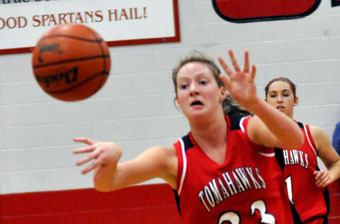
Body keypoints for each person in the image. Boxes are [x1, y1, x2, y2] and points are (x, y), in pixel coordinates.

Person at [73, 49, 304, 223]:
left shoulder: (249, 130)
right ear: (178, 101)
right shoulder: (171, 159)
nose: (193, 89)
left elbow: (295, 140)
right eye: (184, 86)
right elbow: (107, 183)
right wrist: (111, 158)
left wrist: (254, 103)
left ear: (222, 92)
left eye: (202, 82)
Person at [264, 77, 340, 224]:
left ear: (296, 100)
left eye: (285, 94)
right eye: (273, 95)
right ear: (266, 102)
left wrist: (330, 174)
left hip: (312, 219)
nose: (279, 100)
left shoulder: (313, 134)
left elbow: (337, 162)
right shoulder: (256, 141)